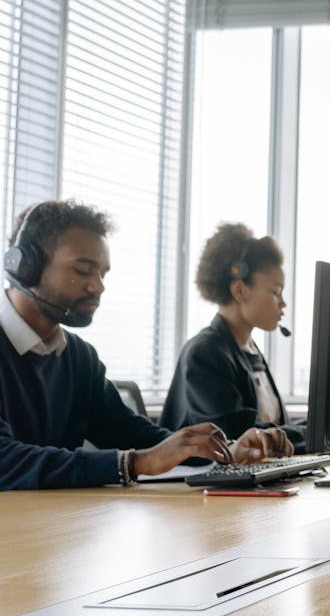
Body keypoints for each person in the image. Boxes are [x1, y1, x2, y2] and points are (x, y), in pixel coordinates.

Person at [0, 201, 284, 490]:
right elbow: (5, 460)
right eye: (83, 270)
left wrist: (225, 453)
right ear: (26, 267)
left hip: (48, 526)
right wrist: (135, 462)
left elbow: (136, 437)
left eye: (102, 274)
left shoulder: (78, 357)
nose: (97, 286)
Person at [162, 223, 299, 453]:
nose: (283, 303)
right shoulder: (204, 352)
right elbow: (238, 435)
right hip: (199, 484)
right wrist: (311, 433)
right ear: (239, 290)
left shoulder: (249, 350)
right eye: (276, 292)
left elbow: (276, 430)